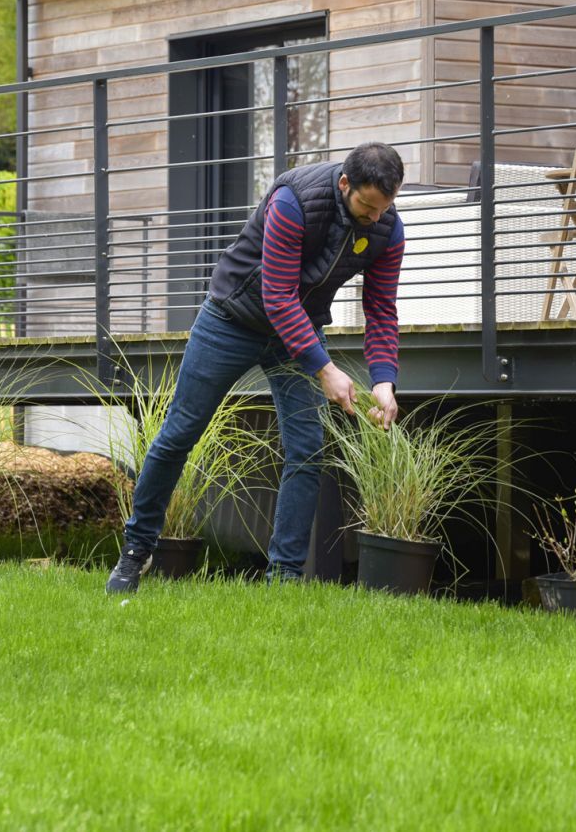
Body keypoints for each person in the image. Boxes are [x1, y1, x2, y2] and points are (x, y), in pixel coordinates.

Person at [105, 141, 406, 593]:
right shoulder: (293, 201)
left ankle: (283, 580)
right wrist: (325, 368)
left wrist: (384, 381)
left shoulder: (387, 230)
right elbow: (278, 296)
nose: (376, 218)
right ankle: (136, 552)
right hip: (232, 320)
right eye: (367, 206)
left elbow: (381, 309)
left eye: (385, 208)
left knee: (307, 449)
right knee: (178, 435)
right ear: (345, 184)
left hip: (297, 333)